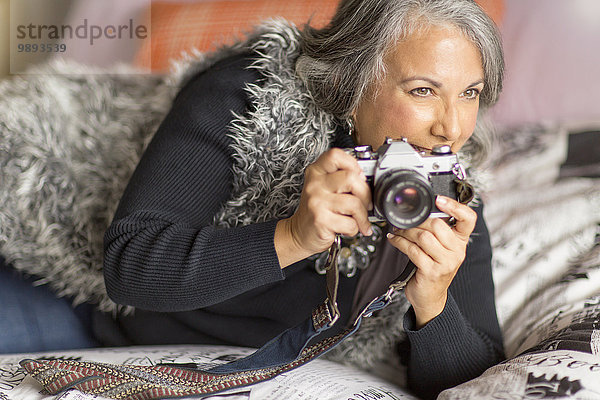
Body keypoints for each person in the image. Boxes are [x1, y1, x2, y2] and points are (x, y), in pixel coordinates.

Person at [94, 0, 505, 398]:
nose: (451, 128)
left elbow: (476, 382)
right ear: (349, 82)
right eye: (423, 91)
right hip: (105, 323)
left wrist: (433, 301)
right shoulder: (246, 101)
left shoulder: (447, 184)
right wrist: (293, 236)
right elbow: (129, 267)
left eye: (470, 93)